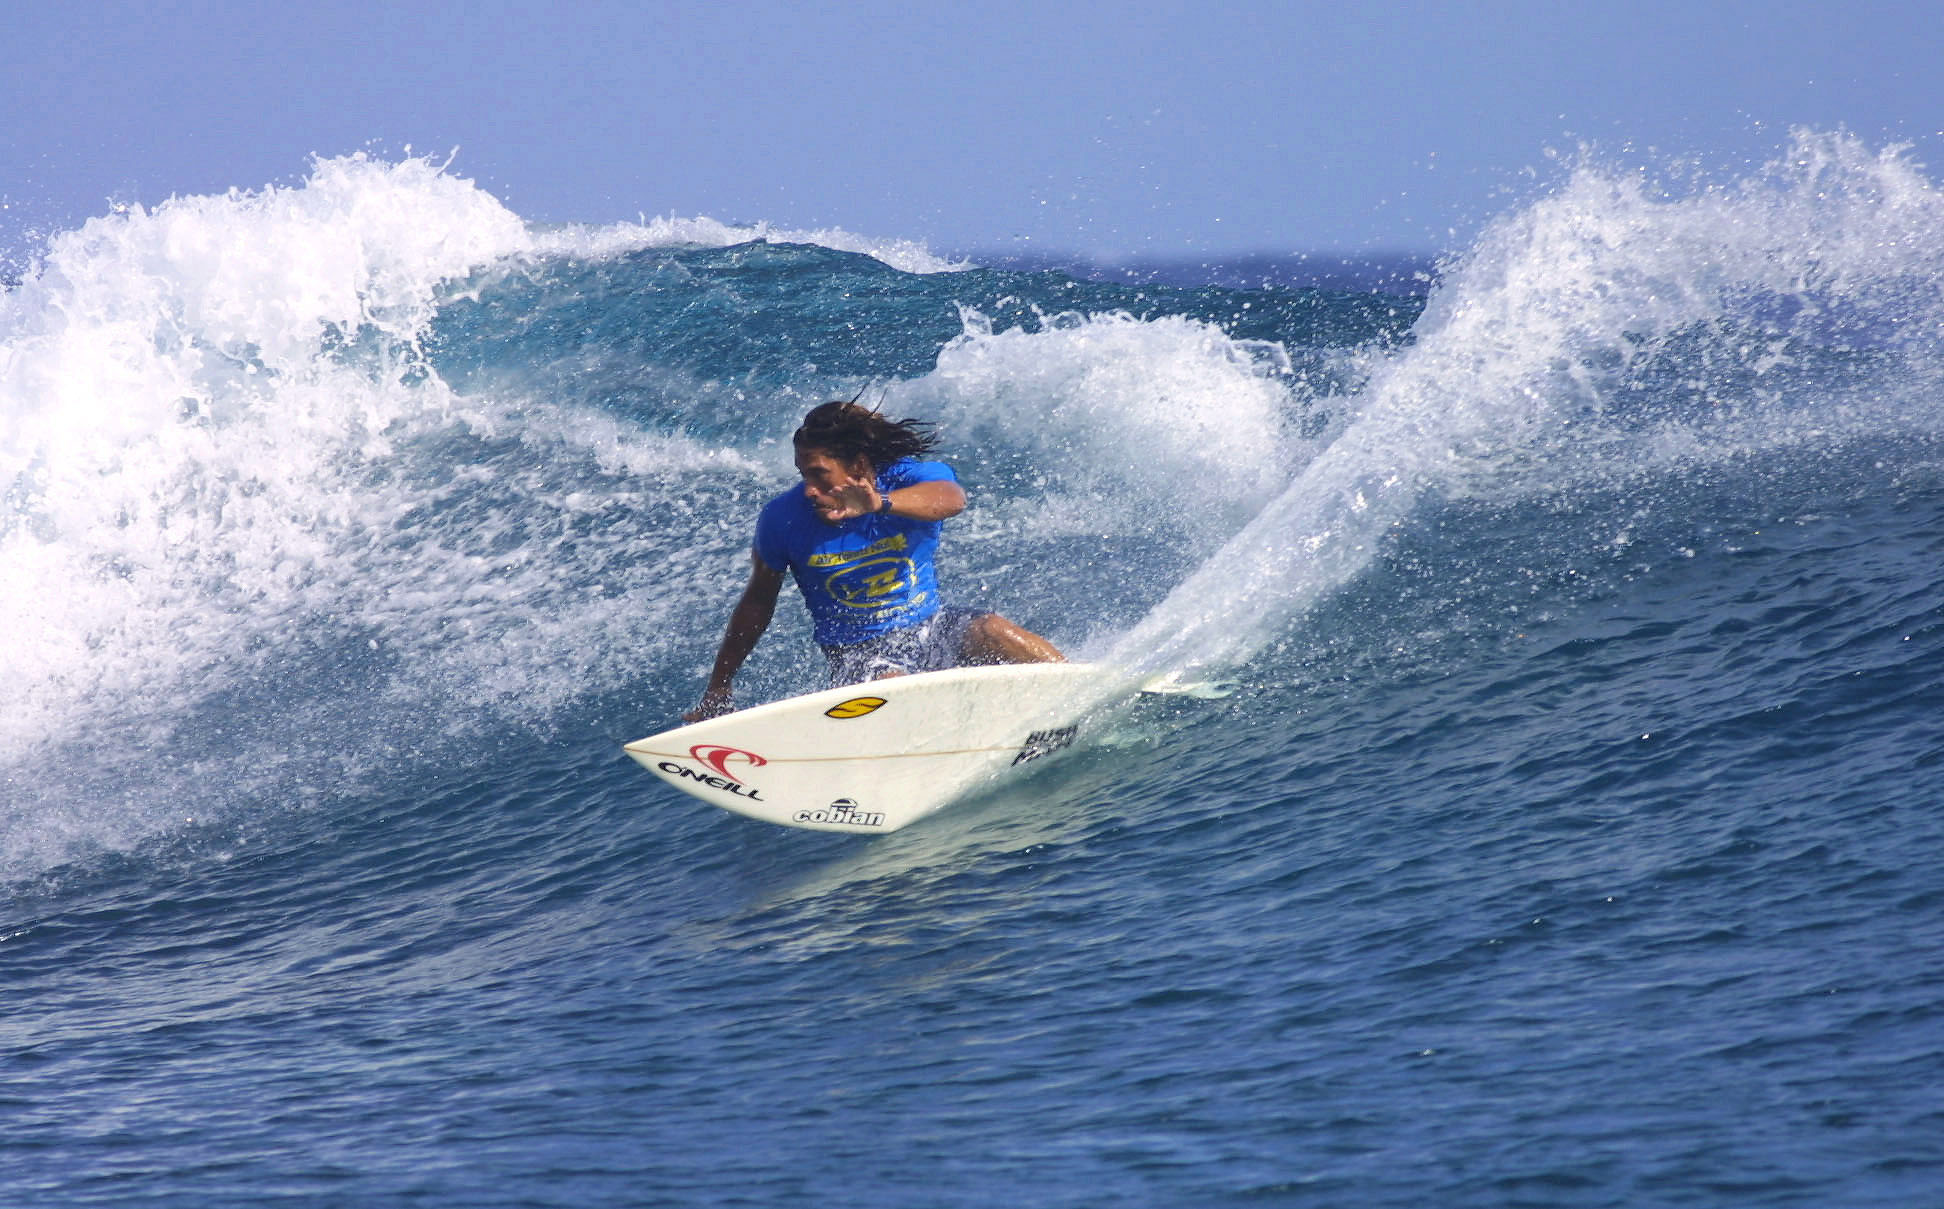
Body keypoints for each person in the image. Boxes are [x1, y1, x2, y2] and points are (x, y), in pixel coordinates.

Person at [685, 401, 1063, 722]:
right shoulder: (782, 519)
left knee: (994, 630)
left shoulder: (907, 480)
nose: (810, 489)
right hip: (859, 654)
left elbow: (951, 499)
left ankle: (1069, 698)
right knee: (892, 687)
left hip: (934, 626)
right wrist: (720, 685)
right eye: (803, 475)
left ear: (858, 465)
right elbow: (757, 603)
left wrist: (879, 504)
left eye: (820, 474)